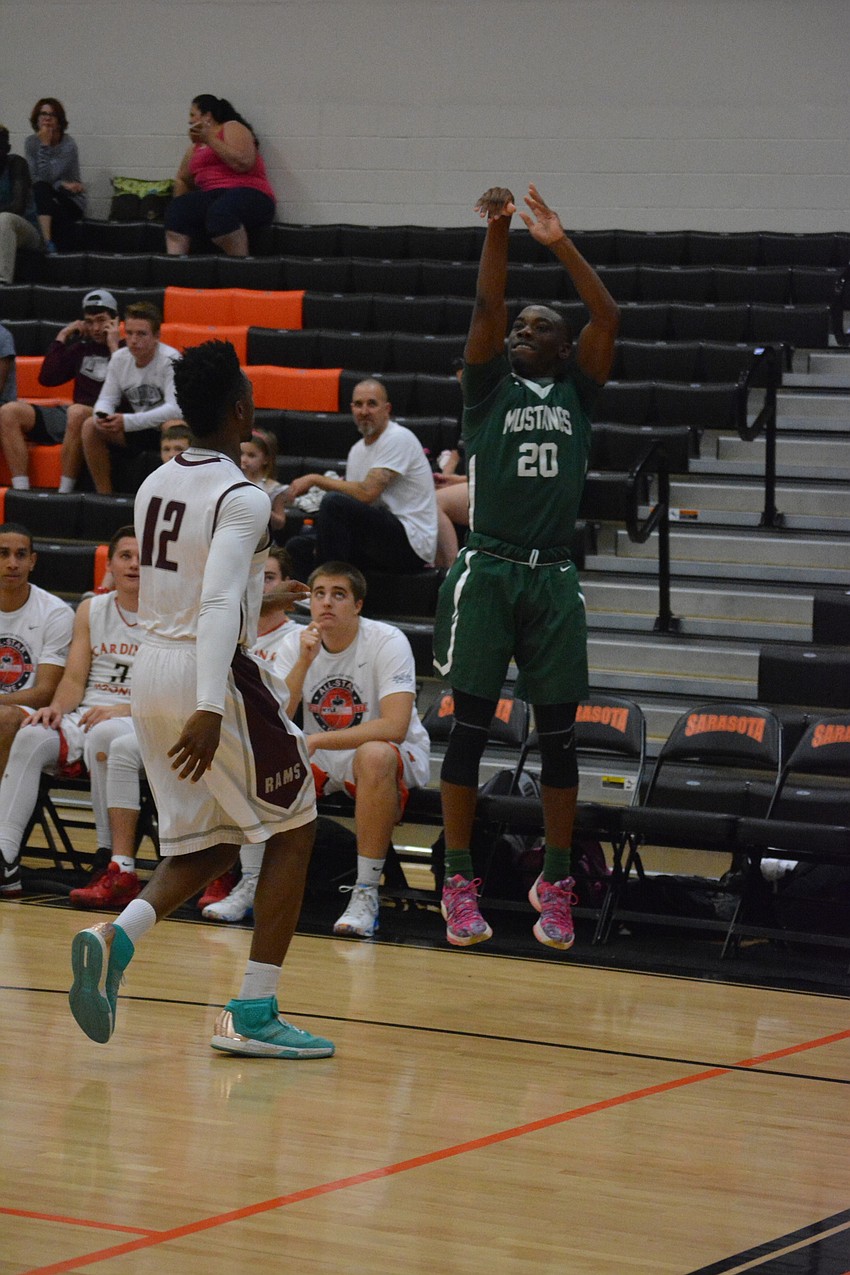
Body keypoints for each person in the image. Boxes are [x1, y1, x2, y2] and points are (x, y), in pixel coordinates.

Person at [68, 340, 333, 1059]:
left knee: (213, 832)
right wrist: (212, 704)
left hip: (149, 669)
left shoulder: (156, 482)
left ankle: (114, 939)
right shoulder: (242, 493)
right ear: (242, 409)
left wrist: (262, 593)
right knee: (297, 823)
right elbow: (214, 600)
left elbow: (196, 584)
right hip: (205, 674)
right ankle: (254, 1009)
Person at [433, 183, 619, 951]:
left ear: (562, 348)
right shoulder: (487, 390)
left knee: (559, 739)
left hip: (552, 578)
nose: (519, 331)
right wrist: (500, 231)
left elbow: (608, 315)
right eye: (519, 325)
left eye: (538, 327)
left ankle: (560, 879)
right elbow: (484, 307)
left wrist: (559, 243)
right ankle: (457, 877)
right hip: (491, 568)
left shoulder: (579, 390)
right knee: (470, 732)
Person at [276, 561, 430, 938]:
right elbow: (275, 717)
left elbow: (394, 726)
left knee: (374, 754)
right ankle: (249, 881)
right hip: (325, 756)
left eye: (339, 595)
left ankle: (365, 892)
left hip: (394, 754)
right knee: (266, 757)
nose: (327, 603)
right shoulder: (294, 643)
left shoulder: (387, 639)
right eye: (319, 594)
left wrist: (316, 740)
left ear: (358, 605)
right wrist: (303, 662)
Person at [0, 528, 139, 898]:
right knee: (31, 732)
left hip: (138, 717)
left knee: (105, 735)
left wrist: (123, 708)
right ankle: (5, 858)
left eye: (143, 557)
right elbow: (74, 680)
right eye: (125, 556)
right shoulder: (91, 609)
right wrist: (55, 709)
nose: (135, 564)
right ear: (110, 565)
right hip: (88, 712)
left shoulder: (170, 616)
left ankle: (108, 858)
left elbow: (172, 689)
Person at [200, 545, 299, 922]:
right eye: (255, 581)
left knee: (245, 758)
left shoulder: (297, 637)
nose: (260, 589)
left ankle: (246, 880)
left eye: (268, 579)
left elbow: (282, 712)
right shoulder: (226, 629)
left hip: (283, 739)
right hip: (233, 732)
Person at [283, 378, 438, 581]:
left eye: (372, 404)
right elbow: (356, 505)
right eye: (358, 404)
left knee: (333, 502)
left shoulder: (399, 438)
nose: (364, 411)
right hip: (378, 535)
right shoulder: (356, 451)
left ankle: (331, 585)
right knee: (298, 546)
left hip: (410, 543)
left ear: (387, 409)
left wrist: (315, 479)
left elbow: (366, 493)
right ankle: (313, 602)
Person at [0, 288, 121, 493]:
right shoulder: (81, 349)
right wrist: (62, 336)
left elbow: (128, 387)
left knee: (76, 411)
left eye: (101, 320)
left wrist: (113, 347)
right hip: (73, 415)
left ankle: (64, 492)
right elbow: (47, 378)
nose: (96, 328)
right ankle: (21, 490)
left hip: (105, 417)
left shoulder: (126, 350)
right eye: (89, 322)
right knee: (8, 411)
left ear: (115, 321)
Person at [0, 522, 74, 781]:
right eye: (3, 554)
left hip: (27, 714)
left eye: (20, 555)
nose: (12, 563)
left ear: (32, 561)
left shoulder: (55, 613)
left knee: (4, 718)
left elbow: (45, 692)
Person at [81, 302, 180, 494]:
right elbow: (107, 399)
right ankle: (104, 496)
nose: (133, 340)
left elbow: (175, 408)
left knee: (173, 425)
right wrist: (103, 416)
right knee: (90, 426)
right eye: (130, 333)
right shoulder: (119, 358)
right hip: (138, 427)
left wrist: (127, 422)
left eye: (141, 334)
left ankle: (174, 494)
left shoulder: (171, 359)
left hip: (162, 428)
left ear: (157, 336)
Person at [164, 95, 276, 258]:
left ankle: (240, 268)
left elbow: (243, 163)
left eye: (192, 115)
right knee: (177, 212)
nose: (189, 121)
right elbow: (183, 178)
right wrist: (180, 207)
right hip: (213, 196)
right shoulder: (195, 147)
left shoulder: (231, 127)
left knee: (221, 213)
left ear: (207, 116)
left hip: (250, 194)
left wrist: (209, 138)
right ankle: (176, 271)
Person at [24, 98, 85, 253]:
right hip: (46, 197)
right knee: (40, 190)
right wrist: (60, 183)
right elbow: (35, 178)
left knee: (43, 190)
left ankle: (46, 243)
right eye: (43, 114)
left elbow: (47, 177)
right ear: (36, 119)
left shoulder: (68, 144)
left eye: (52, 115)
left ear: (59, 121)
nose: (47, 118)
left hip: (70, 198)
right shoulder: (30, 142)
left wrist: (45, 145)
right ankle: (48, 242)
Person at [0, 124, 42, 284]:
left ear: (8, 148)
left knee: (4, 219)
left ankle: (2, 283)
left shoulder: (17, 164)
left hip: (27, 232)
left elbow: (17, 207)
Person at [240, 426, 286, 532]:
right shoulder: (231, 480)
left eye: (251, 456)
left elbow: (280, 522)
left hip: (262, 540)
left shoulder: (273, 488)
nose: (244, 459)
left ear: (266, 459)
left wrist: (264, 509)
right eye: (241, 453)